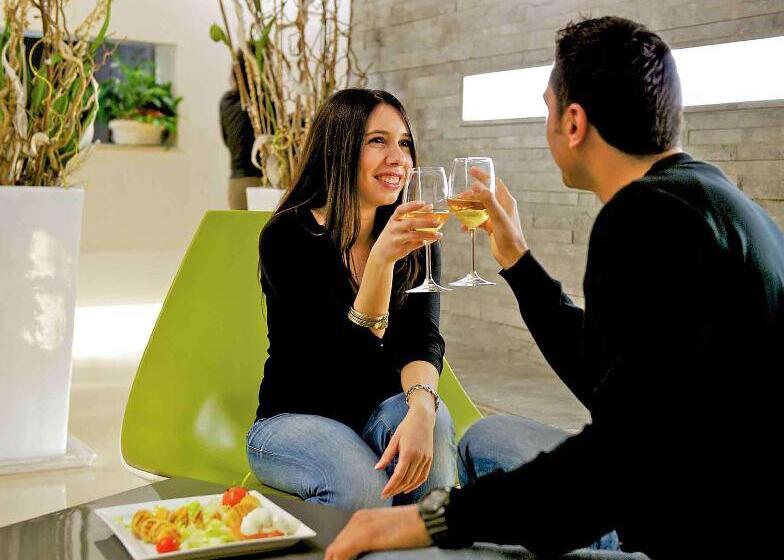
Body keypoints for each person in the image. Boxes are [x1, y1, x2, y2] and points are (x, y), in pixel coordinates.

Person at [325, 16, 783, 560]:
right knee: (486, 439)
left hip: (691, 529)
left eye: (546, 108)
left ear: (573, 122)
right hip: (710, 487)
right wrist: (517, 260)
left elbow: (614, 460)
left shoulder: (641, 217)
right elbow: (612, 379)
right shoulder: (716, 198)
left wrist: (433, 519)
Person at [248, 88, 457, 511]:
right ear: (338, 148)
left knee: (432, 426)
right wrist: (380, 263)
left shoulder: (413, 235)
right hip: (295, 419)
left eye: (404, 143)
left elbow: (421, 337)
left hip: (374, 415)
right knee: (363, 488)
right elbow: (336, 364)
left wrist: (422, 408)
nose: (398, 158)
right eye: (378, 141)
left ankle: (425, 543)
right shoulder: (288, 237)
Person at [220, 51, 264, 210]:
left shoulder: (227, 101)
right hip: (261, 182)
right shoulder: (262, 102)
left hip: (237, 182)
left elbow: (227, 139)